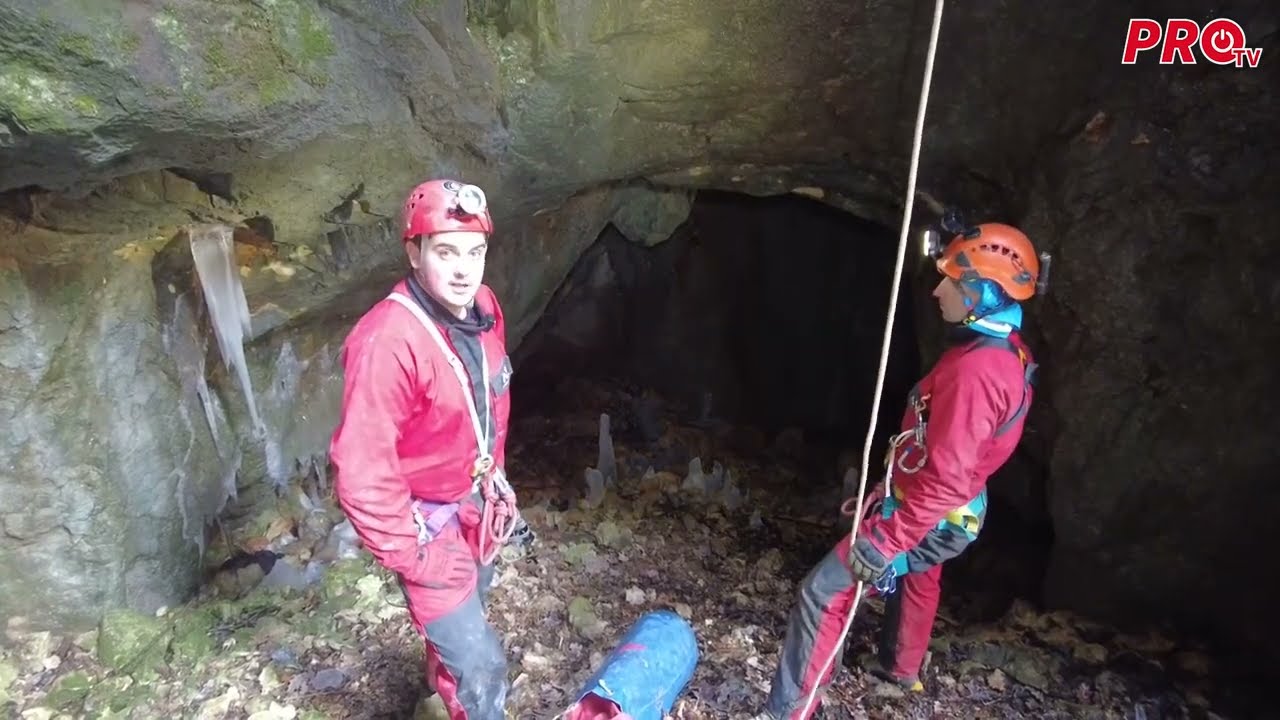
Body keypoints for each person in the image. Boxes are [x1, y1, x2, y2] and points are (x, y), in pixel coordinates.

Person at [754, 222, 1045, 719]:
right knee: (921, 576)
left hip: (935, 513)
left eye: (951, 280)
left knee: (823, 592)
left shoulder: (977, 374)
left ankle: (787, 712)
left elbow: (947, 478)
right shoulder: (1004, 349)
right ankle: (899, 668)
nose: (936, 290)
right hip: (955, 509)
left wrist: (887, 539)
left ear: (981, 293)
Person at [329, 178, 525, 720]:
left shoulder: (483, 307)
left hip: (474, 506)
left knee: (470, 615)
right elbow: (362, 469)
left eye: (475, 252)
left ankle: (438, 698)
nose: (464, 270)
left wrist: (494, 482)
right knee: (481, 669)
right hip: (427, 529)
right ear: (414, 254)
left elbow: (485, 403)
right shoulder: (388, 341)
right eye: (445, 252)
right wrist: (414, 557)